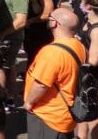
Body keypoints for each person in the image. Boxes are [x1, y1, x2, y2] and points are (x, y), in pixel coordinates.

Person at [24, 7, 86, 139]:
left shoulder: (52, 53)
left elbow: (41, 84)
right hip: (66, 114)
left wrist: (28, 103)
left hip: (48, 116)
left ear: (55, 23)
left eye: (50, 17)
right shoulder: (79, 46)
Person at [75, 0, 98, 139]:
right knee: (81, 110)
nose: (80, 5)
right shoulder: (89, 21)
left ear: (88, 6)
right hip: (82, 73)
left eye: (82, 2)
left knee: (91, 114)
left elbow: (93, 60)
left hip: (90, 76)